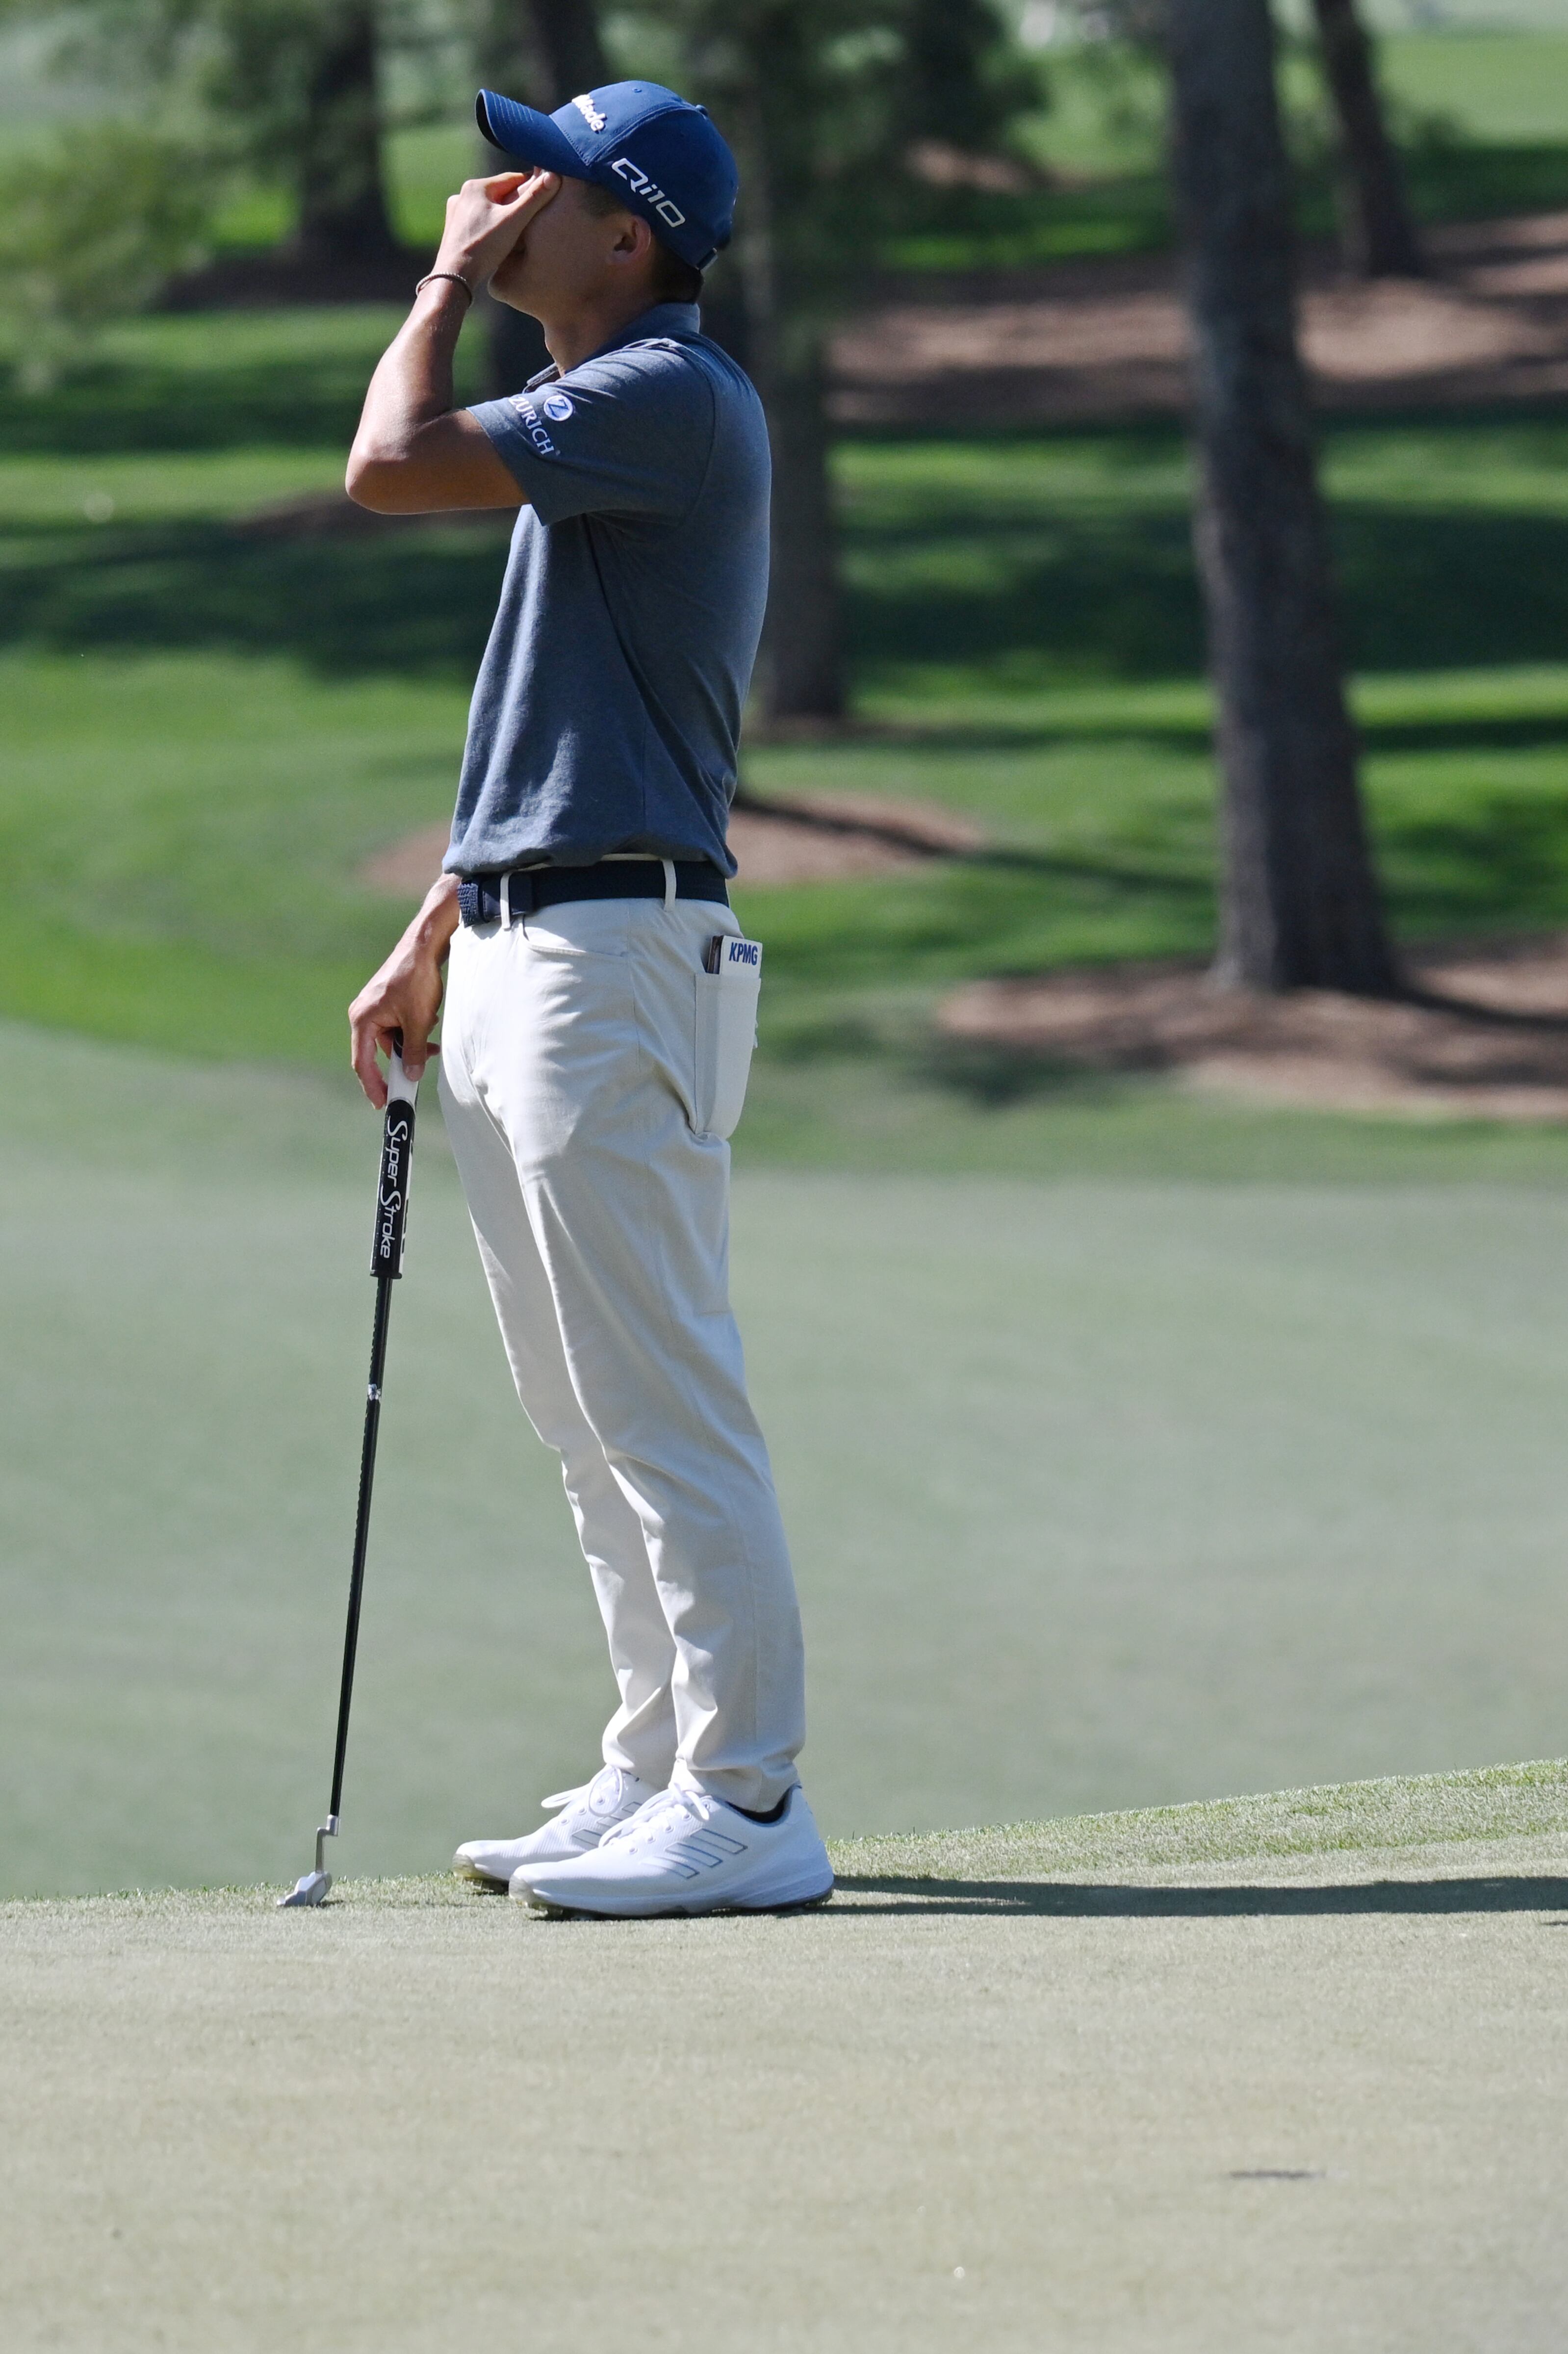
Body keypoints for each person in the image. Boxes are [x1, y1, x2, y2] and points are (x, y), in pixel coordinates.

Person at [343, 78, 831, 1920]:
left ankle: (753, 1803)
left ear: (623, 239)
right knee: (578, 1405)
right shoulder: (605, 420)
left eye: (544, 176)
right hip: (535, 936)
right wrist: (432, 929)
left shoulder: (663, 398)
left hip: (619, 956)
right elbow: (565, 738)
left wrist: (432, 292)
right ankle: (652, 1770)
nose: (501, 190)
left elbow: (381, 467)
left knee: (661, 1396)